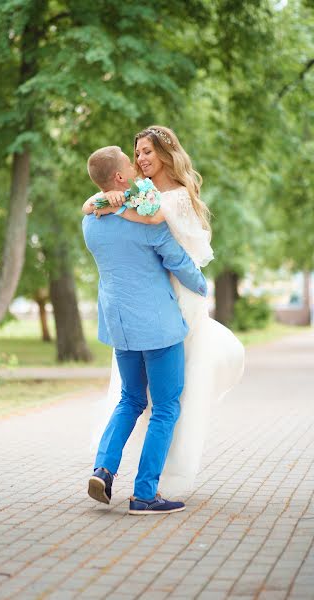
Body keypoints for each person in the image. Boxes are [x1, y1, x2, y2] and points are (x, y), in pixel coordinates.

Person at [83, 127, 245, 496]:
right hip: (160, 310)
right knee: (164, 401)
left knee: (140, 396)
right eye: (136, 153)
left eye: (145, 152)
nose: (140, 159)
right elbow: (167, 248)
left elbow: (145, 217)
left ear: (165, 153)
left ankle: (106, 470)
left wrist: (106, 203)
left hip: (149, 310)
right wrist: (107, 200)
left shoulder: (164, 201)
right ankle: (144, 491)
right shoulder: (141, 200)